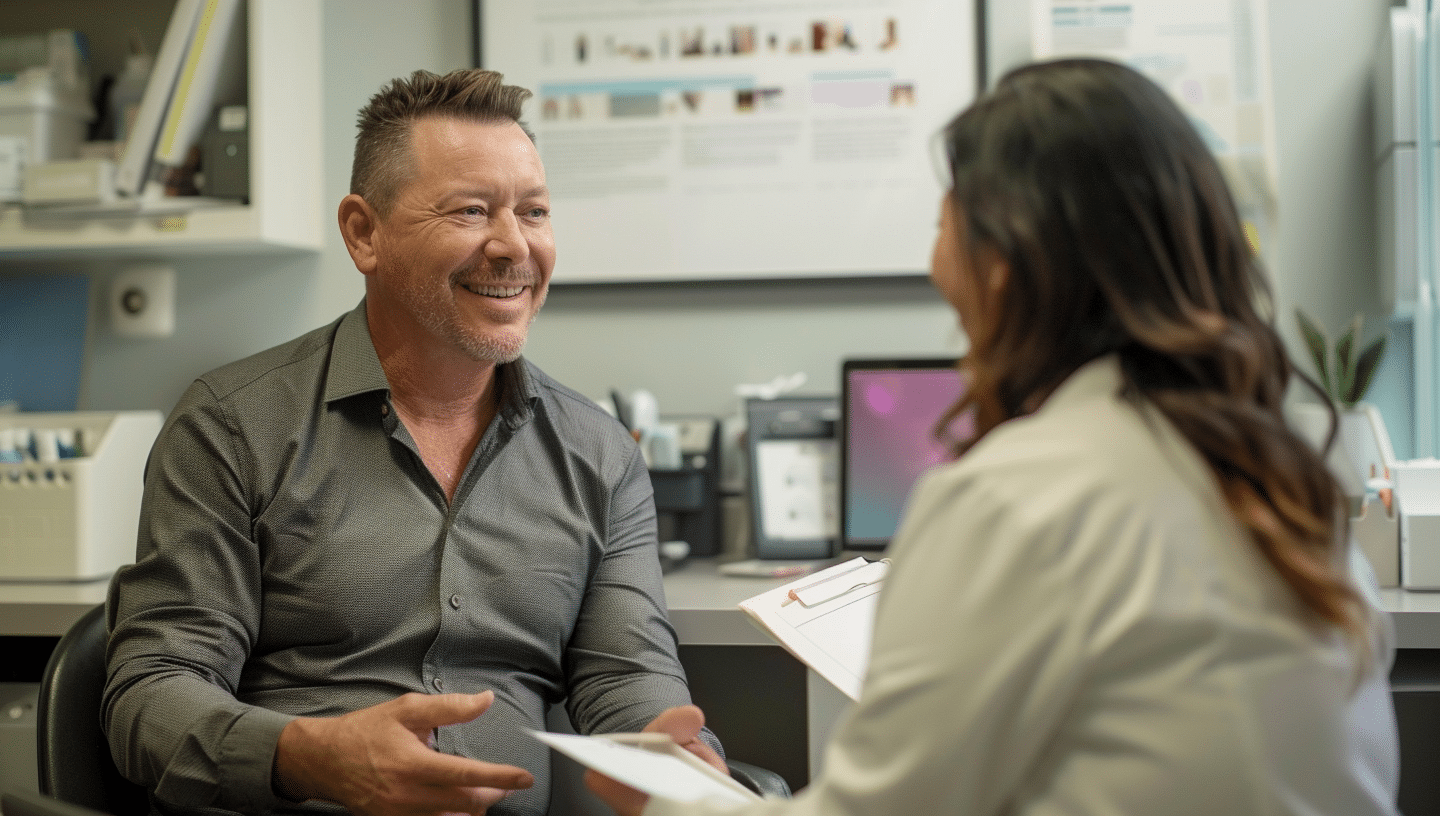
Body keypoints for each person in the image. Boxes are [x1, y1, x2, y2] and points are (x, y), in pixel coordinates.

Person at [589, 57, 1401, 816]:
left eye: (945, 223)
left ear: (1005, 261)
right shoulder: (1285, 487)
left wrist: (670, 799)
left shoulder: (1017, 498)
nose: (936, 262)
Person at [103, 68, 724, 816]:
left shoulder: (601, 456)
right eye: (470, 211)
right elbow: (152, 693)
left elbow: (625, 676)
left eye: (533, 212)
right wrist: (311, 757)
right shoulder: (231, 426)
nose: (513, 246)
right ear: (364, 233)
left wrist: (676, 756)